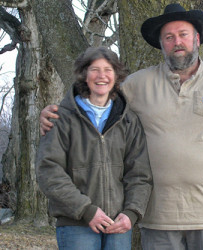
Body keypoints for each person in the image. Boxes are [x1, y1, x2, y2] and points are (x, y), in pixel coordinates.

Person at [39, 3, 203, 250]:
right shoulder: (137, 84)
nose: (176, 42)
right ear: (161, 44)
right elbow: (93, 102)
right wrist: (56, 112)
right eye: (169, 37)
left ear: (197, 38)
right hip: (158, 218)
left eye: (183, 35)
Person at [35, 46, 153, 250]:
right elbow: (49, 170)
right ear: (84, 75)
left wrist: (131, 212)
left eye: (108, 70)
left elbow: (140, 174)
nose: (102, 76)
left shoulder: (128, 121)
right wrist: (86, 210)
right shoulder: (61, 118)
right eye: (94, 69)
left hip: (118, 224)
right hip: (76, 223)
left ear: (116, 76)